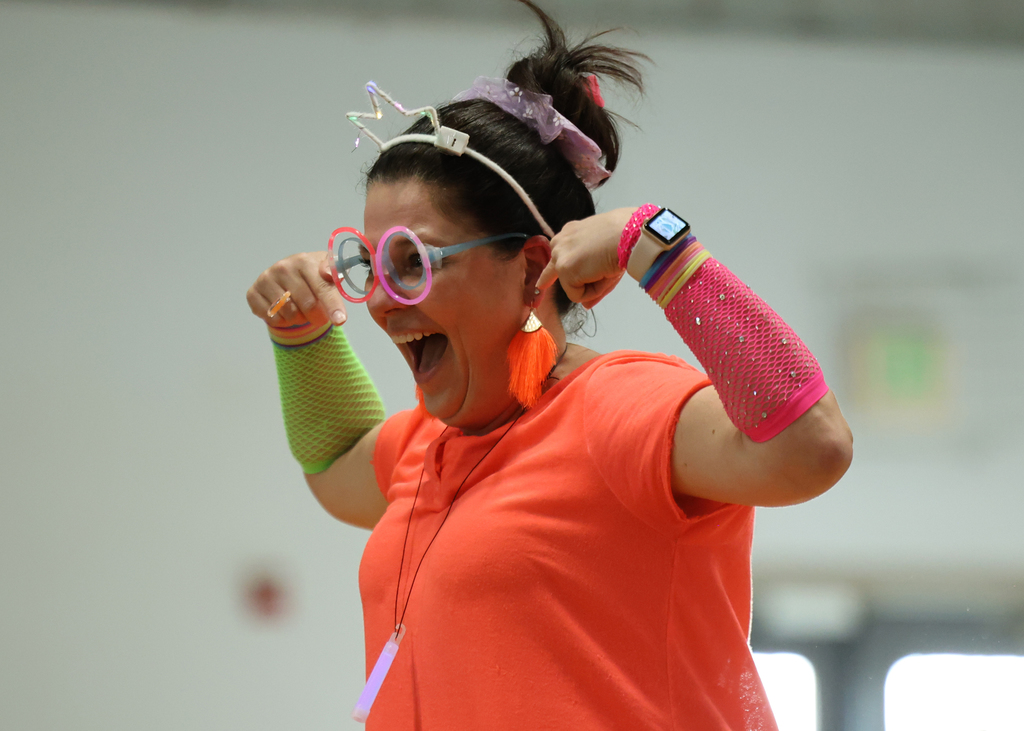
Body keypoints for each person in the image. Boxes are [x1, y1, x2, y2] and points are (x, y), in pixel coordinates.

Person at [246, 2, 853, 728]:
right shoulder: (429, 444)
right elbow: (335, 462)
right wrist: (304, 335)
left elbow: (812, 445)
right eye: (369, 266)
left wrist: (656, 245)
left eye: (413, 262)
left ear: (533, 266)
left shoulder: (618, 409)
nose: (380, 300)